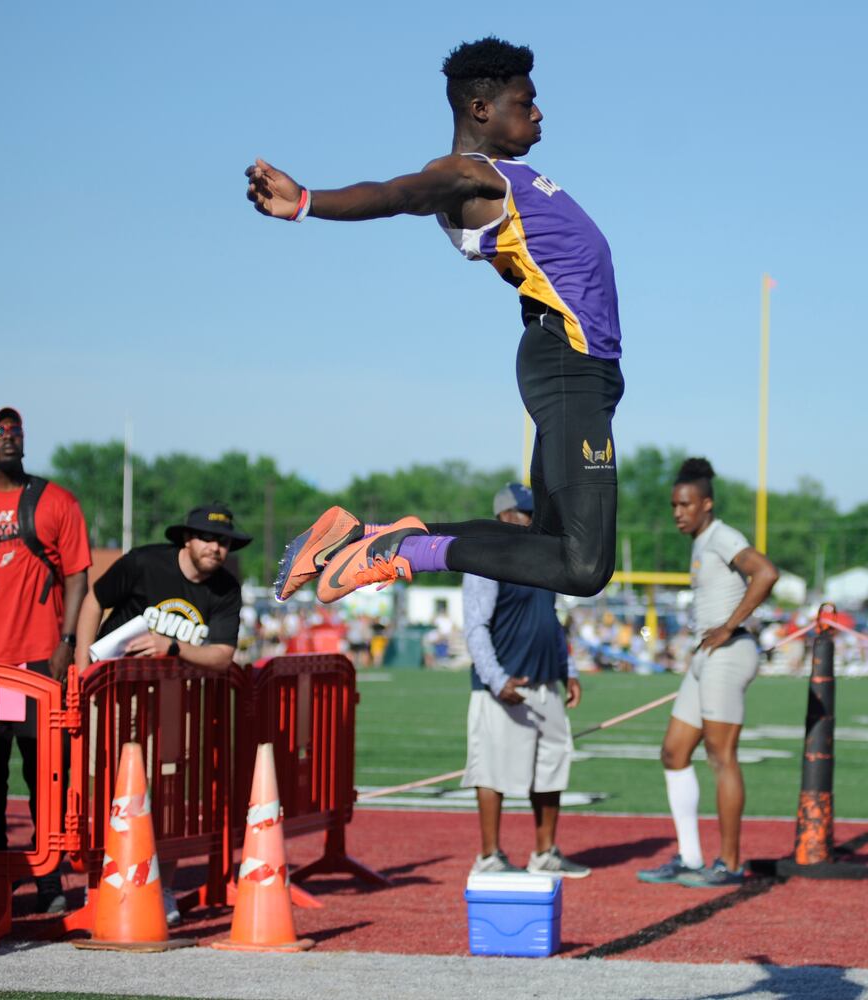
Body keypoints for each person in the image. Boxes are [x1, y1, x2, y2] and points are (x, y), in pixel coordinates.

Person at [247, 36, 623, 606]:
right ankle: (396, 553)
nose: (539, 113)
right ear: (481, 109)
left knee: (545, 542)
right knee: (584, 565)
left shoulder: (506, 177)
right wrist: (307, 201)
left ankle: (368, 539)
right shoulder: (468, 175)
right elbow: (399, 193)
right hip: (568, 361)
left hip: (576, 368)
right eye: (526, 102)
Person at [0, 407, 91, 912]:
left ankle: (47, 881)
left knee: (46, 773)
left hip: (36, 667)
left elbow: (76, 576)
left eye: (16, 431)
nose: (9, 437)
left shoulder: (55, 501)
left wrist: (67, 639)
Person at [74, 501, 251, 924]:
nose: (216, 547)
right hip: (117, 687)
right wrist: (83, 670)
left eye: (224, 541)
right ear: (186, 539)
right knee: (103, 784)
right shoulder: (144, 563)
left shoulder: (226, 588)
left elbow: (223, 656)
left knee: (171, 794)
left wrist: (171, 647)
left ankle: (163, 885)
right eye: (208, 538)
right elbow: (93, 601)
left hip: (175, 696)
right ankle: (99, 882)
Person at [638, 458, 778, 888]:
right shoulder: (700, 541)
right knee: (674, 753)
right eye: (674, 506)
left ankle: (730, 863)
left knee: (720, 757)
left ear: (707, 504)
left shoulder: (722, 536)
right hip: (706, 658)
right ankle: (689, 855)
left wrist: (730, 624)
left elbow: (766, 572)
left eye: (686, 505)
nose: (678, 512)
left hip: (729, 653)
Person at [462, 482, 589, 878]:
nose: (535, 521)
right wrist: (496, 679)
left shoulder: (543, 557)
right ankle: (489, 855)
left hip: (546, 678)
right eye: (528, 513)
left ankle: (545, 852)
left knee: (552, 766)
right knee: (491, 771)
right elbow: (475, 627)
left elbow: (552, 619)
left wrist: (567, 669)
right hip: (505, 684)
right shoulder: (485, 557)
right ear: (505, 516)